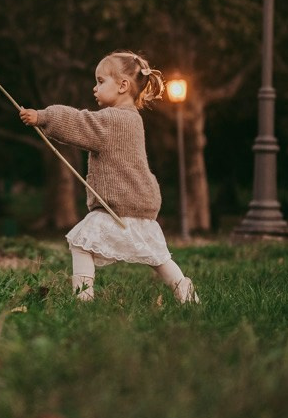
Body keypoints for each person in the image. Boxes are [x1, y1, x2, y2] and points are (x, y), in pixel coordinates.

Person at [18, 51, 198, 303]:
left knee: (81, 243)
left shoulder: (112, 120)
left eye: (101, 81)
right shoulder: (132, 118)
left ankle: (84, 299)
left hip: (121, 203)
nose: (95, 88)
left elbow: (79, 123)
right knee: (158, 256)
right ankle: (186, 292)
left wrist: (43, 117)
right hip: (140, 202)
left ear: (123, 85)